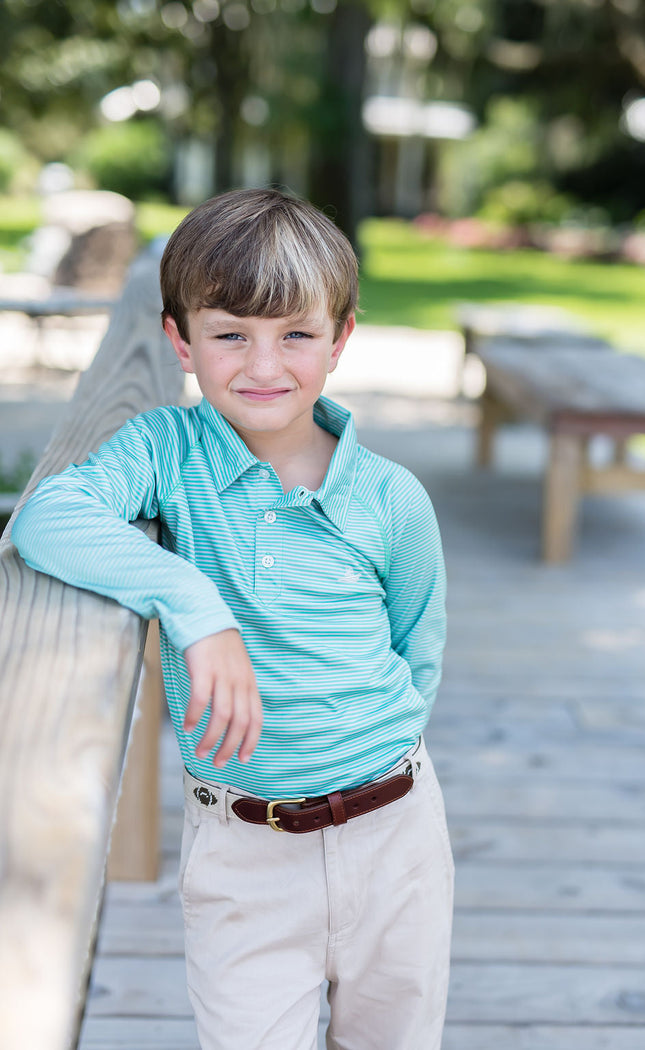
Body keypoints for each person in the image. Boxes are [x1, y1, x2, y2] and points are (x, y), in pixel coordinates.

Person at [12, 188, 453, 1050]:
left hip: (397, 832)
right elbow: (44, 518)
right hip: (246, 850)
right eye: (230, 335)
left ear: (341, 339)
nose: (263, 365)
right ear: (181, 340)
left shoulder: (392, 499)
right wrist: (194, 603)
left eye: (295, 334)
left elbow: (418, 648)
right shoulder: (165, 453)